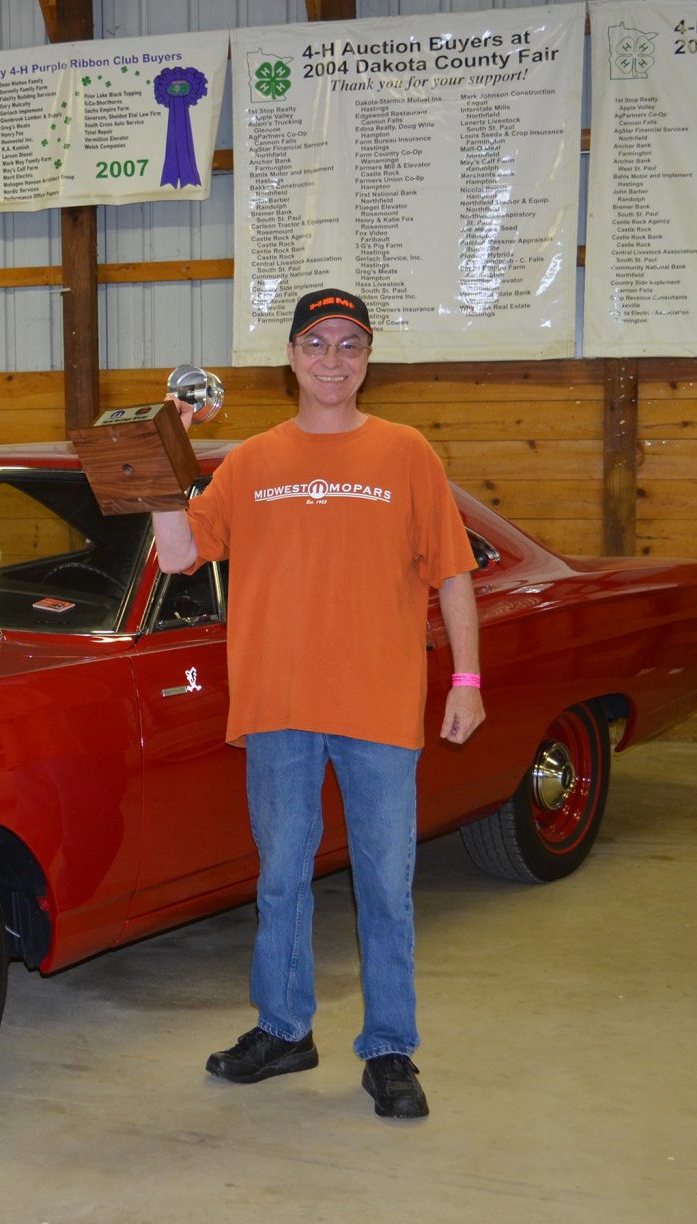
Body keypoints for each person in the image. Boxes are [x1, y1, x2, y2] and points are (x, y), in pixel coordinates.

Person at [151, 287, 484, 1119]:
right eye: (317, 343)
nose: (333, 359)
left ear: (366, 359)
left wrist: (468, 683)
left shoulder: (406, 453)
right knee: (282, 878)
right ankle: (285, 1030)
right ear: (292, 357)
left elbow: (452, 574)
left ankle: (391, 1049)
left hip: (378, 706)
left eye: (350, 344)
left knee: (385, 883)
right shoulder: (254, 461)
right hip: (279, 705)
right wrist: (160, 462)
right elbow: (178, 554)